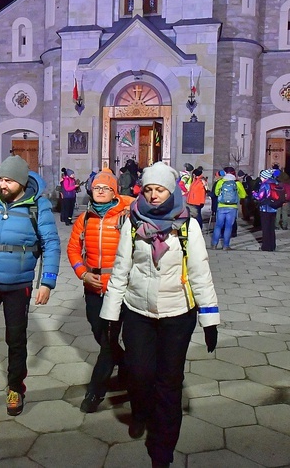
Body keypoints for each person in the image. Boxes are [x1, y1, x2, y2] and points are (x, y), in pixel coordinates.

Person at [100, 161, 219, 468]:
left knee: (169, 382)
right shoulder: (131, 222)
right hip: (138, 311)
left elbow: (200, 274)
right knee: (139, 375)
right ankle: (140, 410)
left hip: (177, 314)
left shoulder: (187, 226)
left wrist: (209, 320)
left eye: (160, 190)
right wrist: (110, 315)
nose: (153, 196)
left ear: (171, 191)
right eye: (149, 189)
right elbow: (121, 270)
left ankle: (162, 447)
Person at [0, 155, 61, 416]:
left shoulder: (37, 206)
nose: (2, 185)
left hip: (19, 285)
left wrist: (46, 282)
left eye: (9, 181)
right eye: (1, 179)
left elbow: (51, 244)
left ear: (22, 182)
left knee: (15, 338)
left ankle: (16, 386)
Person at [67, 168, 133, 413]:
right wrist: (83, 273)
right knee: (99, 332)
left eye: (106, 188)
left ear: (114, 190)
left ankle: (95, 392)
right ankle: (126, 365)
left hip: (119, 288)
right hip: (92, 286)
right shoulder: (84, 219)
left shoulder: (126, 216)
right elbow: (73, 250)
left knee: (107, 341)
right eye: (97, 188)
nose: (101, 191)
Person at [211, 168, 246, 250]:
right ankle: (226, 246)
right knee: (228, 227)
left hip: (221, 206)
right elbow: (243, 195)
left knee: (218, 226)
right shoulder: (237, 183)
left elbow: (216, 193)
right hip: (232, 207)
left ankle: (214, 245)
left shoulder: (221, 182)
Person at [253, 169, 279, 251]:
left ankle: (266, 246)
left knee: (265, 228)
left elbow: (260, 197)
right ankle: (272, 246)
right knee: (271, 228)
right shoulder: (275, 183)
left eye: (261, 176)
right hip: (273, 208)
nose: (260, 177)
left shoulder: (265, 185)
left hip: (265, 209)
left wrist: (254, 193)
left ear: (264, 177)